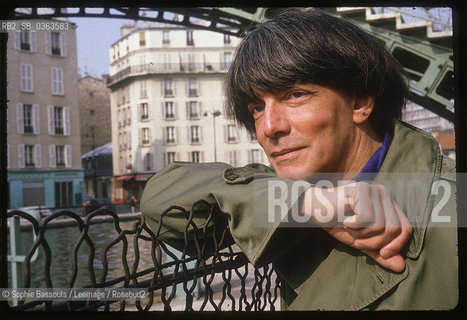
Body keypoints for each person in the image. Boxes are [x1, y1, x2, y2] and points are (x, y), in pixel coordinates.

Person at [141, 9, 457, 310]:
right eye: (256, 107)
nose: (268, 127)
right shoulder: (300, 188)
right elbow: (160, 198)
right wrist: (307, 205)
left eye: (295, 95)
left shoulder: (452, 211)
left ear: (359, 102)